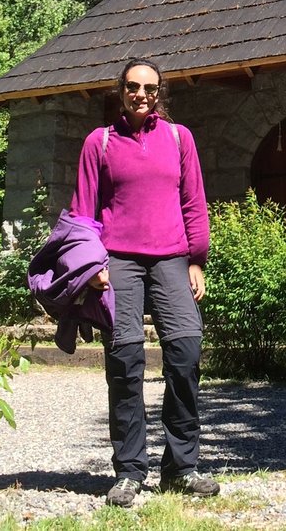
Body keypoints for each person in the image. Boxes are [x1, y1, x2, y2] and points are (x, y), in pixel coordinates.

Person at [69, 57, 218, 508]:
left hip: (172, 258)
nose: (141, 95)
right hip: (119, 261)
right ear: (121, 90)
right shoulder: (99, 142)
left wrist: (197, 260)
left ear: (159, 93)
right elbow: (82, 213)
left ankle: (182, 467)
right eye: (133, 87)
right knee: (125, 361)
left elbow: (193, 201)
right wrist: (90, 264)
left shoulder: (179, 137)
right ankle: (130, 471)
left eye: (150, 88)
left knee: (186, 352)